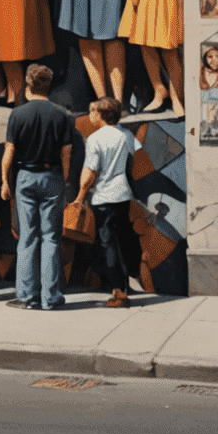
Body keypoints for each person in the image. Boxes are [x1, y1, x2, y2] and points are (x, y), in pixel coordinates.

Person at [2, 63, 73, 311]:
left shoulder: (18, 114)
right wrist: (64, 180)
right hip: (52, 175)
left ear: (29, 85)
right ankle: (51, 297)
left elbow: (9, 151)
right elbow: (66, 152)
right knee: (52, 238)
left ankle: (27, 296)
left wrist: (4, 180)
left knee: (28, 237)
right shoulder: (62, 114)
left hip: (26, 176)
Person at [75, 95, 140, 308]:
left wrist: (80, 197)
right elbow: (134, 161)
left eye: (93, 111)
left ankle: (118, 292)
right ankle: (125, 285)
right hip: (123, 195)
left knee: (108, 244)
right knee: (121, 241)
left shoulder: (95, 139)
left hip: (104, 197)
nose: (90, 115)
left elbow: (89, 173)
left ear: (102, 115)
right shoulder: (126, 135)